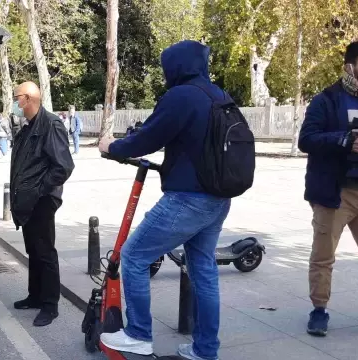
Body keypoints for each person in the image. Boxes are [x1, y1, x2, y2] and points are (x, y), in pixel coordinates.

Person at [98, 40, 232, 360]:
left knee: (133, 257)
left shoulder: (181, 95)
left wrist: (110, 147)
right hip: (218, 199)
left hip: (188, 200)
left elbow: (147, 139)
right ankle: (205, 350)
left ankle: (139, 334)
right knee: (203, 271)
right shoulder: (219, 96)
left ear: (176, 66)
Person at [298, 40, 358, 337]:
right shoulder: (327, 100)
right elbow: (307, 139)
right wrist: (345, 140)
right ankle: (319, 310)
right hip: (335, 194)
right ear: (350, 66)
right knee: (323, 257)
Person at [9, 81, 75, 327]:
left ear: (27, 98)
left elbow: (63, 166)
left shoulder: (51, 124)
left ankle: (50, 305)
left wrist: (39, 190)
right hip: (28, 201)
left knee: (45, 252)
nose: (15, 103)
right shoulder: (28, 127)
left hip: (42, 200)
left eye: (17, 98)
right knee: (33, 250)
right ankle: (35, 296)